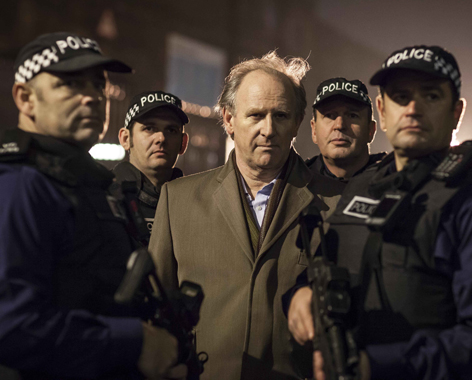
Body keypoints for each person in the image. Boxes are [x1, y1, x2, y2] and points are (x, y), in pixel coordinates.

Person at [287, 45, 472, 380]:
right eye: (401, 96)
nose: (413, 109)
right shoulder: (363, 185)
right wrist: (300, 294)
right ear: (383, 111)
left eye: (431, 96)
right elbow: (326, 263)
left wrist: (376, 366)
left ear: (456, 112)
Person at [148, 51, 345, 380]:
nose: (268, 129)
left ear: (297, 122)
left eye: (280, 116)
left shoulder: (338, 205)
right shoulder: (177, 200)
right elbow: (156, 312)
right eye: (256, 115)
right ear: (228, 119)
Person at [0, 32, 184, 379]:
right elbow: (11, 325)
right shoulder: (21, 184)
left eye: (99, 85)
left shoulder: (84, 181)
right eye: (70, 84)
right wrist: (134, 343)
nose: (92, 97)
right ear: (26, 98)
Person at [114, 90, 189, 234]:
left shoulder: (199, 205)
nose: (161, 138)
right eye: (149, 128)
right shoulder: (103, 198)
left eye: (171, 130)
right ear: (125, 139)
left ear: (183, 143)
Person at [305, 77, 385, 181]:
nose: (339, 125)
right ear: (314, 130)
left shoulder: (396, 180)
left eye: (352, 115)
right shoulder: (293, 182)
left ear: (371, 130)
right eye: (329, 116)